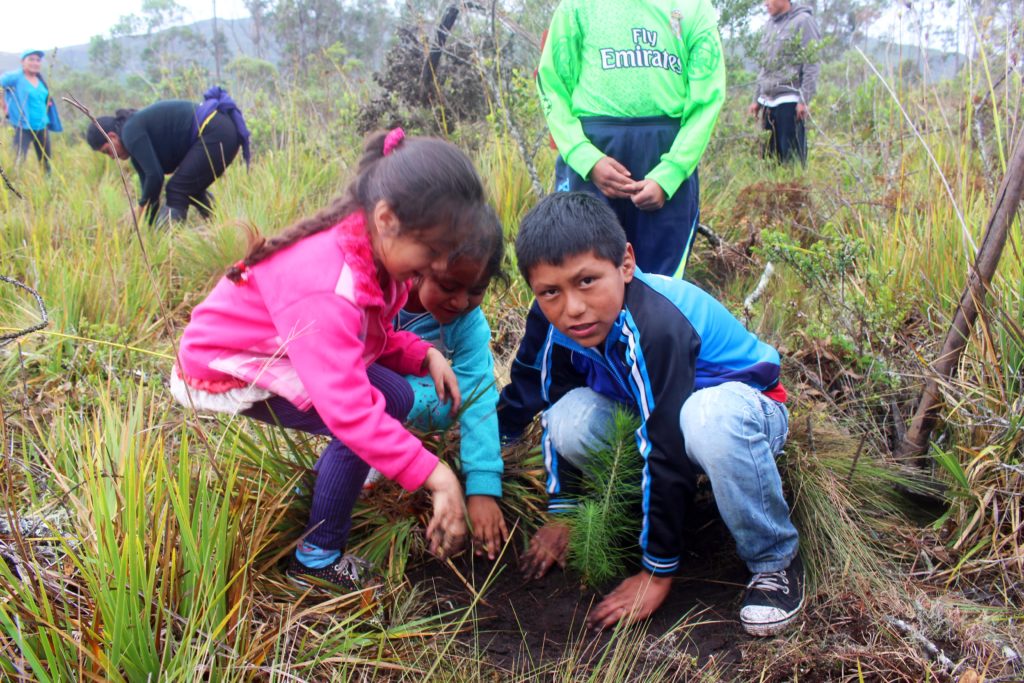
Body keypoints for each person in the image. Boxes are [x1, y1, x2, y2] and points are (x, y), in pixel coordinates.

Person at [170, 129, 491, 592]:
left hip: (292, 345)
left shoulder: (372, 249)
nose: (437, 270)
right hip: (235, 364)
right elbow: (352, 413)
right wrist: (436, 475)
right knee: (364, 424)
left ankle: (321, 490)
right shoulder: (330, 283)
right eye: (432, 255)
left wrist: (424, 354)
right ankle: (315, 559)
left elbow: (369, 335)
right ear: (386, 218)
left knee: (397, 395)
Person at [515, 192, 802, 637]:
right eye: (551, 292)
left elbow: (666, 443)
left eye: (587, 280)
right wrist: (565, 511)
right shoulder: (562, 327)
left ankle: (773, 560)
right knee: (568, 417)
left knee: (707, 419)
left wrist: (657, 572)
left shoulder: (657, 323)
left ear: (625, 263)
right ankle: (642, 514)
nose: (572, 307)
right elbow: (554, 403)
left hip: (743, 416)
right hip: (661, 418)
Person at [500, 0, 727, 442]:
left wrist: (670, 173)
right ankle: (515, 420)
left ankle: (647, 425)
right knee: (565, 284)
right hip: (591, 157)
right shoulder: (579, 7)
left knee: (651, 295)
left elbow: (708, 97)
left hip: (666, 167)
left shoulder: (693, 9)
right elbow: (553, 83)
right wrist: (585, 158)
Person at [392, 211, 509, 560]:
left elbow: (478, 395)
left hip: (418, 402)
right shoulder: (385, 301)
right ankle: (373, 461)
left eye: (476, 290)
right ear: (417, 268)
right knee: (401, 395)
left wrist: (482, 489)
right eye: (448, 286)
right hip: (366, 403)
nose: (460, 302)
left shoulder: (469, 324)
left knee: (439, 400)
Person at [86, 87, 251, 225]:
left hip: (215, 131)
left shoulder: (130, 132)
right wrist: (140, 226)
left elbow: (155, 176)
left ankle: (170, 251)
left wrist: (140, 208)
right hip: (220, 132)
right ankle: (222, 229)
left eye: (108, 151)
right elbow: (151, 195)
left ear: (112, 136)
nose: (112, 157)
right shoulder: (135, 150)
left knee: (177, 190)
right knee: (190, 188)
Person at [747, 0, 821, 165]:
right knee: (769, 161)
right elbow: (764, 67)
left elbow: (812, 64)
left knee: (792, 161)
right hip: (767, 102)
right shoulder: (769, 25)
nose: (765, 4)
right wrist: (756, 99)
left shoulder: (803, 21)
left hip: (789, 102)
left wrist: (804, 100)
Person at [1, 49, 62, 174]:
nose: (35, 63)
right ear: (23, 62)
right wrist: (4, 106)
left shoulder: (40, 80)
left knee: (46, 161)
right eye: (31, 59)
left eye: (38, 60)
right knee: (17, 160)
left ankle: (47, 186)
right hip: (23, 126)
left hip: (42, 126)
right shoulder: (16, 77)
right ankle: (13, 186)